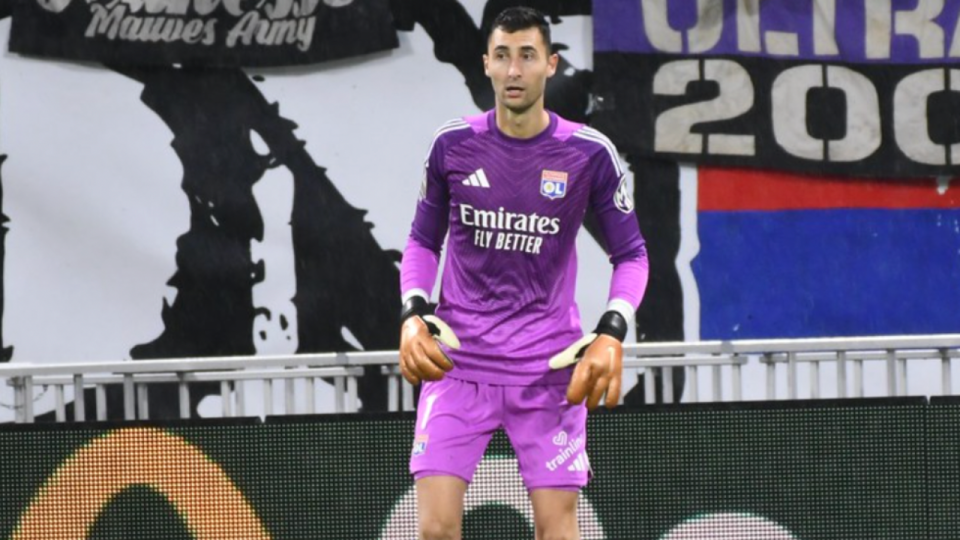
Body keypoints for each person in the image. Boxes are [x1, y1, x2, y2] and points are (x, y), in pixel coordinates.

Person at [398, 6, 648, 540]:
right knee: (435, 531)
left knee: (557, 533)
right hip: (457, 366)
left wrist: (612, 331)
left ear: (551, 65)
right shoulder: (452, 145)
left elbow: (631, 255)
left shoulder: (587, 153)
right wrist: (413, 314)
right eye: (504, 56)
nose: (515, 70)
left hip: (548, 368)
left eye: (528, 56)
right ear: (486, 63)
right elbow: (422, 241)